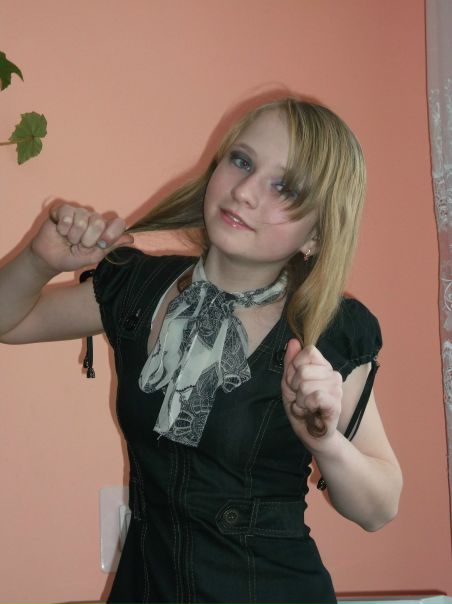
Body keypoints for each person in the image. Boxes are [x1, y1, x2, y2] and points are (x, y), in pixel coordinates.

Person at [0, 96, 402, 603]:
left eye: (284, 187)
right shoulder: (137, 288)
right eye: (242, 161)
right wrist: (39, 260)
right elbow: (9, 321)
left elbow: (379, 508)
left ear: (317, 235)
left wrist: (327, 443)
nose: (244, 192)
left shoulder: (329, 328)